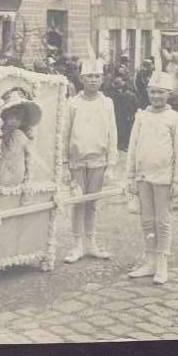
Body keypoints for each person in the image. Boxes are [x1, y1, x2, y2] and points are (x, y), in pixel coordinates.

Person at [125, 71, 178, 284]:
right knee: (146, 220)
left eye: (160, 93)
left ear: (168, 94)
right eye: (153, 92)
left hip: (164, 178)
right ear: (148, 93)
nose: (156, 96)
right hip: (143, 176)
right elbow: (132, 148)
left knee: (162, 221)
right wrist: (130, 177)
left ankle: (162, 262)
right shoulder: (141, 116)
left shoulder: (173, 118)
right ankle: (150, 260)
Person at [63, 58, 118, 263]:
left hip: (99, 160)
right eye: (89, 77)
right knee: (78, 202)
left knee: (92, 202)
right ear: (81, 78)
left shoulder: (107, 103)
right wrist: (64, 164)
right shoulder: (73, 103)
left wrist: (111, 163)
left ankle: (90, 242)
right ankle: (77, 244)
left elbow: (112, 133)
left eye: (97, 76)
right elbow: (65, 134)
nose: (93, 80)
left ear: (102, 79)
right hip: (77, 160)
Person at [0, 89, 43, 187]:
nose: (14, 121)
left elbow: (30, 155)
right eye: (11, 118)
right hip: (0, 177)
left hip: (16, 178)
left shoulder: (20, 136)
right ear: (5, 117)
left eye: (18, 119)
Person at [108, 75, 138, 152]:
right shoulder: (122, 94)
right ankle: (122, 144)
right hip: (121, 115)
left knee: (126, 129)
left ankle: (124, 144)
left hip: (125, 114)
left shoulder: (118, 93)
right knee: (122, 130)